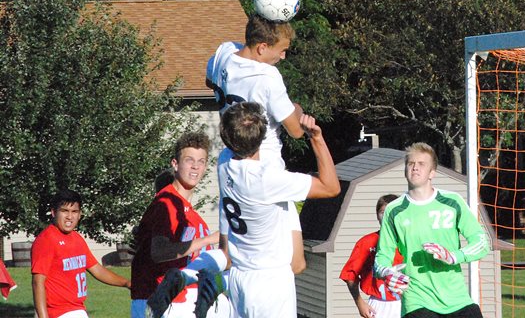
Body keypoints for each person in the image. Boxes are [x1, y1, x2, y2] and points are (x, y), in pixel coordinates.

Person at [215, 102, 340, 317]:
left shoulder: (224, 161)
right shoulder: (267, 179)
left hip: (239, 277)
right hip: (269, 283)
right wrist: (316, 139)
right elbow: (331, 187)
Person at [206, 14, 307, 274]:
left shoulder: (223, 53)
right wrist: (296, 107)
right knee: (293, 263)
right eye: (281, 50)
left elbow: (209, 79)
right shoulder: (268, 76)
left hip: (230, 162)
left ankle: (200, 282)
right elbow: (296, 130)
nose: (283, 57)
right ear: (262, 47)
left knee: (230, 256)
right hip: (266, 168)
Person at [374, 142, 490, 318]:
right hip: (417, 301)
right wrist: (386, 272)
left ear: (432, 173)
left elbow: (481, 243)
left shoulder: (452, 202)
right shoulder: (394, 210)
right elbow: (382, 257)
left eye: (421, 164)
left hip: (457, 299)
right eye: (410, 164)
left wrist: (452, 256)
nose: (415, 168)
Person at [131, 131, 230, 318]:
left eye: (201, 161)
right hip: (154, 298)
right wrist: (208, 239)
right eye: (189, 160)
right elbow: (159, 252)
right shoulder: (166, 202)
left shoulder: (186, 209)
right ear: (175, 164)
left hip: (179, 298)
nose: (195, 167)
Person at [31, 189, 130, 318]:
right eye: (64, 211)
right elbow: (38, 282)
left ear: (80, 214)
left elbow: (97, 270)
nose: (69, 217)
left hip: (76, 309)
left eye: (74, 212)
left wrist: (126, 283)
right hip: (58, 313)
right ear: (54, 212)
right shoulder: (47, 240)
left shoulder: (76, 238)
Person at [340, 194, 402, 318]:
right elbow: (350, 275)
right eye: (382, 212)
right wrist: (359, 302)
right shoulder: (367, 242)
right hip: (379, 305)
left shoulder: (410, 241)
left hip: (407, 302)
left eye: (391, 212)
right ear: (377, 216)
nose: (386, 216)